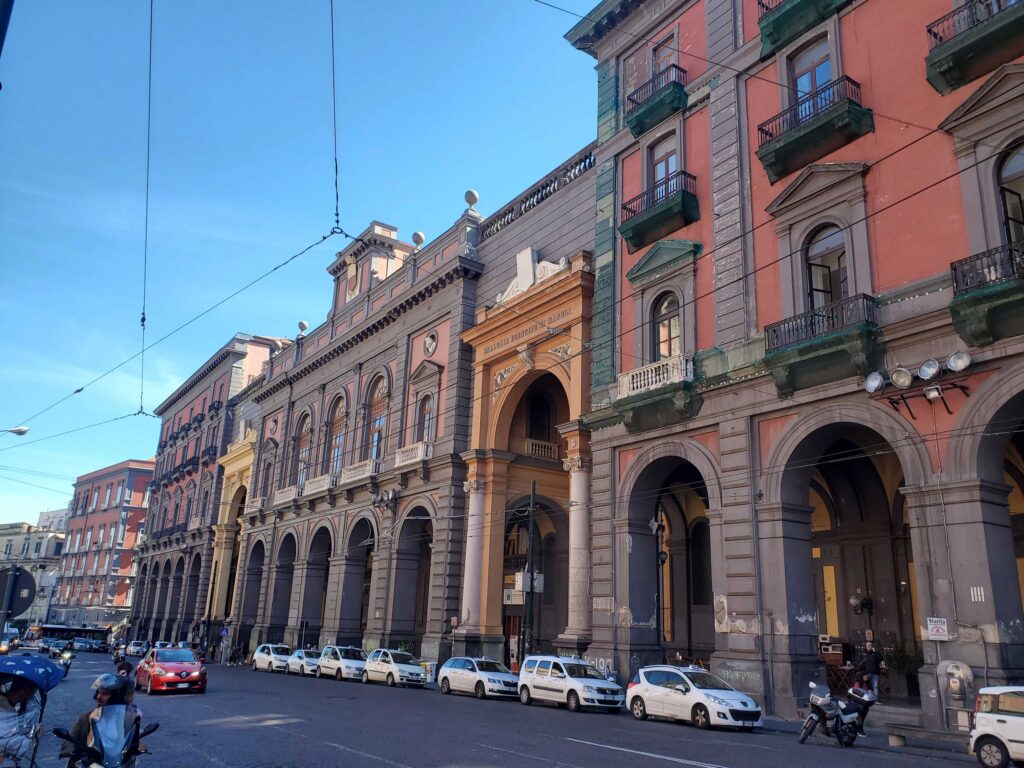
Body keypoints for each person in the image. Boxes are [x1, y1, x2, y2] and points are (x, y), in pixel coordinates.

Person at [60, 674, 143, 768]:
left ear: (116, 697)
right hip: (86, 763)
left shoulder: (127, 719)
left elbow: (133, 739)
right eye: (99, 692)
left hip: (115, 764)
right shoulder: (85, 717)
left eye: (105, 694)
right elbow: (71, 737)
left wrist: (140, 746)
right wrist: (68, 747)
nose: (99, 697)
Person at [0, 676, 42, 765]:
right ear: (25, 691)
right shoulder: (5, 709)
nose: (31, 697)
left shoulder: (8, 706)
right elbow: (7, 742)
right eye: (32, 693)